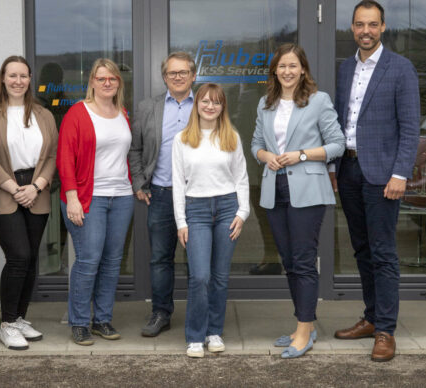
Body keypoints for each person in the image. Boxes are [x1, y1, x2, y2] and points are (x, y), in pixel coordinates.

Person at [331, 0, 420, 362]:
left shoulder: (401, 69)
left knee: (383, 253)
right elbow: (341, 121)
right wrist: (335, 169)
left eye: (372, 24)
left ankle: (385, 330)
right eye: (358, 24)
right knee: (362, 249)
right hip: (350, 170)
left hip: (384, 175)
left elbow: (411, 127)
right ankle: (370, 317)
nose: (365, 31)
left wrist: (400, 173)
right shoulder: (345, 69)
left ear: (383, 27)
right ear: (352, 28)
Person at [251, 44, 345, 359]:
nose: (287, 71)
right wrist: (267, 157)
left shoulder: (318, 102)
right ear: (275, 71)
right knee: (289, 262)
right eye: (282, 66)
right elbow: (256, 144)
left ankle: (304, 331)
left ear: (302, 68)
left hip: (307, 190)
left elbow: (337, 145)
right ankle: (303, 325)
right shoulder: (266, 103)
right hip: (274, 188)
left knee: (304, 262)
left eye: (293, 66)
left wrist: (301, 154)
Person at [0, 56, 58, 350]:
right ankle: (8, 323)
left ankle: (20, 317)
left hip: (36, 190)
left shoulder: (43, 114)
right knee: (18, 256)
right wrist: (15, 188)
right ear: (2, 78)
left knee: (31, 258)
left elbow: (52, 156)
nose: (17, 81)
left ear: (29, 80)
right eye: (12, 75)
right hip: (3, 190)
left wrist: (36, 186)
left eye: (23, 76)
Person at [57, 58, 134, 346]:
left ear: (118, 83)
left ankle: (102, 319)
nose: (107, 83)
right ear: (91, 82)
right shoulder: (78, 113)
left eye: (112, 78)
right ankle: (79, 322)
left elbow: (122, 156)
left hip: (122, 197)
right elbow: (65, 158)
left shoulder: (122, 113)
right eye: (101, 78)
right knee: (88, 260)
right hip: (89, 197)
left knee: (113, 261)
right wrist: (73, 198)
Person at [172, 83, 249, 358]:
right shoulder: (182, 139)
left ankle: (214, 331)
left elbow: (241, 178)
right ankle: (195, 336)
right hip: (196, 211)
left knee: (219, 277)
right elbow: (178, 184)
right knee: (199, 276)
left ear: (222, 107)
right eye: (205, 101)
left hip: (228, 208)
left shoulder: (231, 137)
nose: (210, 106)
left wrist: (242, 212)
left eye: (216, 102)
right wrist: (181, 221)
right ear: (197, 105)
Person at [129, 52, 196, 337]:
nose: (178, 77)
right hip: (161, 193)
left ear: (193, 75)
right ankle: (161, 312)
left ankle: (198, 314)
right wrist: (140, 183)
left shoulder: (206, 104)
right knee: (160, 258)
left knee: (199, 258)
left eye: (183, 72)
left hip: (199, 195)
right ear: (164, 77)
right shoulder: (148, 108)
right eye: (172, 73)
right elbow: (135, 149)